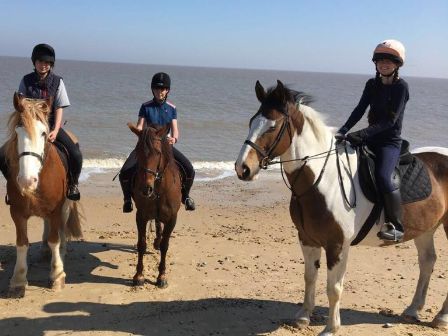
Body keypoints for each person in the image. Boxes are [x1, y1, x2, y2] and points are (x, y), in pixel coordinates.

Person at [335, 39, 409, 243]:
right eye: (380, 61)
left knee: (384, 177)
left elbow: (390, 121)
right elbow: (360, 109)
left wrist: (362, 134)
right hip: (369, 138)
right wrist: (345, 130)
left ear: (397, 64)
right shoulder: (372, 84)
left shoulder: (401, 87)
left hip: (389, 142)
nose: (384, 65)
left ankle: (396, 227)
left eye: (388, 61)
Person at [0, 43, 83, 201]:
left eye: (46, 63)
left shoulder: (58, 82)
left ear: (51, 64)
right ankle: (11, 186)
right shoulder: (26, 80)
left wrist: (56, 130)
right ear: (34, 63)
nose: (43, 65)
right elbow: (21, 105)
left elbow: (59, 108)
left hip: (50, 126)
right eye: (40, 62)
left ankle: (73, 184)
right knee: (1, 156)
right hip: (28, 126)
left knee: (76, 154)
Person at [119, 72, 196, 212]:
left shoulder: (172, 108)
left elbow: (175, 129)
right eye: (157, 89)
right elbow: (140, 126)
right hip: (147, 146)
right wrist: (136, 131)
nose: (159, 92)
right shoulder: (145, 106)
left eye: (162, 89)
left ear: (167, 91)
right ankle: (127, 200)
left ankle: (186, 196)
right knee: (124, 171)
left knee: (189, 169)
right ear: (152, 90)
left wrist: (174, 138)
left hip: (164, 146)